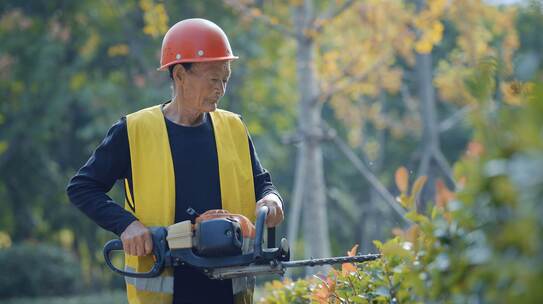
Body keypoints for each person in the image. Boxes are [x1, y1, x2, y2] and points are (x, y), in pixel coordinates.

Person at [67, 18, 284, 304]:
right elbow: (82, 187)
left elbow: (262, 184)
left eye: (225, 79)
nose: (221, 89)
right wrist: (126, 225)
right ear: (180, 75)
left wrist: (271, 200)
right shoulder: (134, 131)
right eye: (213, 79)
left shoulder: (233, 127)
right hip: (165, 287)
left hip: (228, 289)